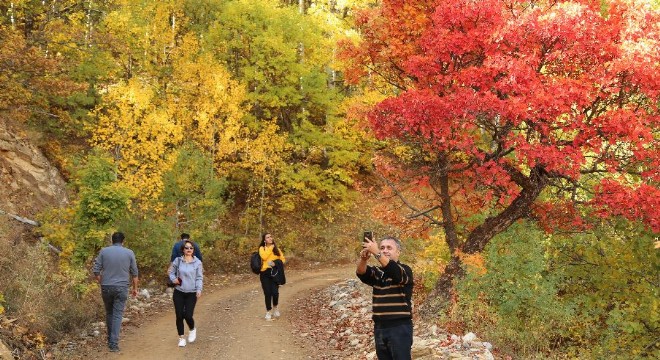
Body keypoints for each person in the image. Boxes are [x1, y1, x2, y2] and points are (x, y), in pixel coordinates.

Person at [357, 235, 414, 360]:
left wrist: (376, 252)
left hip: (399, 328)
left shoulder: (405, 270)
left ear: (398, 252)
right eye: (382, 248)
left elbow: (395, 272)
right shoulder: (378, 272)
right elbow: (361, 273)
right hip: (380, 327)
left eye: (389, 248)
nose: (384, 250)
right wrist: (363, 259)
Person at [92, 232, 139, 353]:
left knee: (109, 313)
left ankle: (109, 339)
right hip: (122, 287)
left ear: (112, 240)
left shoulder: (104, 251)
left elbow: (96, 271)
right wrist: (135, 288)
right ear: (123, 241)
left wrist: (101, 281)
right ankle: (113, 344)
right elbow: (134, 273)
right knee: (117, 315)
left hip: (106, 286)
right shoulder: (129, 252)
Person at [169, 239, 203, 347]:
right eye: (186, 248)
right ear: (183, 250)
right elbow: (171, 272)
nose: (189, 249)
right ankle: (181, 338)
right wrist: (173, 278)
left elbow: (199, 277)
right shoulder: (178, 261)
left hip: (191, 293)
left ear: (193, 250)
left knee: (188, 315)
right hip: (179, 292)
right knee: (179, 315)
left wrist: (199, 289)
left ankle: (192, 329)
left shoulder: (198, 263)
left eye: (191, 248)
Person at [258, 232, 286, 320]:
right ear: (264, 240)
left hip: (275, 273)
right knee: (267, 293)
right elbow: (264, 257)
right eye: (268, 237)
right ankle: (268, 312)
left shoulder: (277, 249)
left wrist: (276, 263)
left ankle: (275, 308)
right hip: (264, 273)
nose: (270, 238)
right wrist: (270, 248)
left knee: (275, 292)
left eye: (271, 237)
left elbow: (283, 260)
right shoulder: (262, 248)